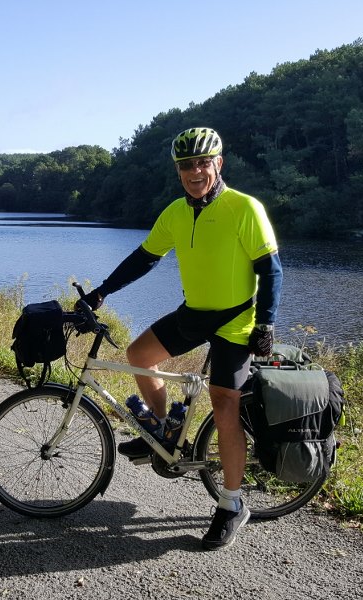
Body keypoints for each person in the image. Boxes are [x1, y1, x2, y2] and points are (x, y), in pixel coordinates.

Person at [80, 127, 282, 550]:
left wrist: (265, 324)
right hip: (195, 314)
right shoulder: (175, 212)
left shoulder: (244, 208)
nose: (195, 171)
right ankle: (165, 429)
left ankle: (231, 504)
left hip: (235, 321)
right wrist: (103, 290)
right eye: (186, 165)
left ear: (218, 164)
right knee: (139, 354)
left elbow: (271, 270)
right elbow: (144, 258)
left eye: (202, 163)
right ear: (178, 171)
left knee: (224, 404)